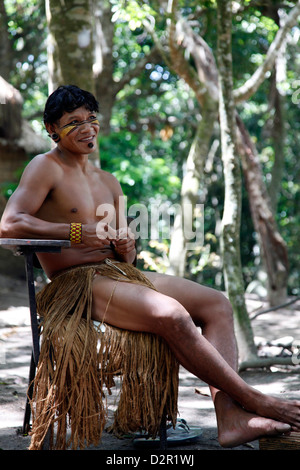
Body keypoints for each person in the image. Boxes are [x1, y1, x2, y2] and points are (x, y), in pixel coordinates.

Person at [1, 85, 300, 449]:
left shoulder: (108, 181)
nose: (86, 128)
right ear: (52, 129)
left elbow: (125, 255)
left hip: (117, 274)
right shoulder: (44, 167)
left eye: (91, 119)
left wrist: (127, 247)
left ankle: (231, 416)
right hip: (76, 284)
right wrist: (77, 232)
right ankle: (255, 400)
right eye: (73, 123)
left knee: (217, 303)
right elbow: (10, 223)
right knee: (172, 315)